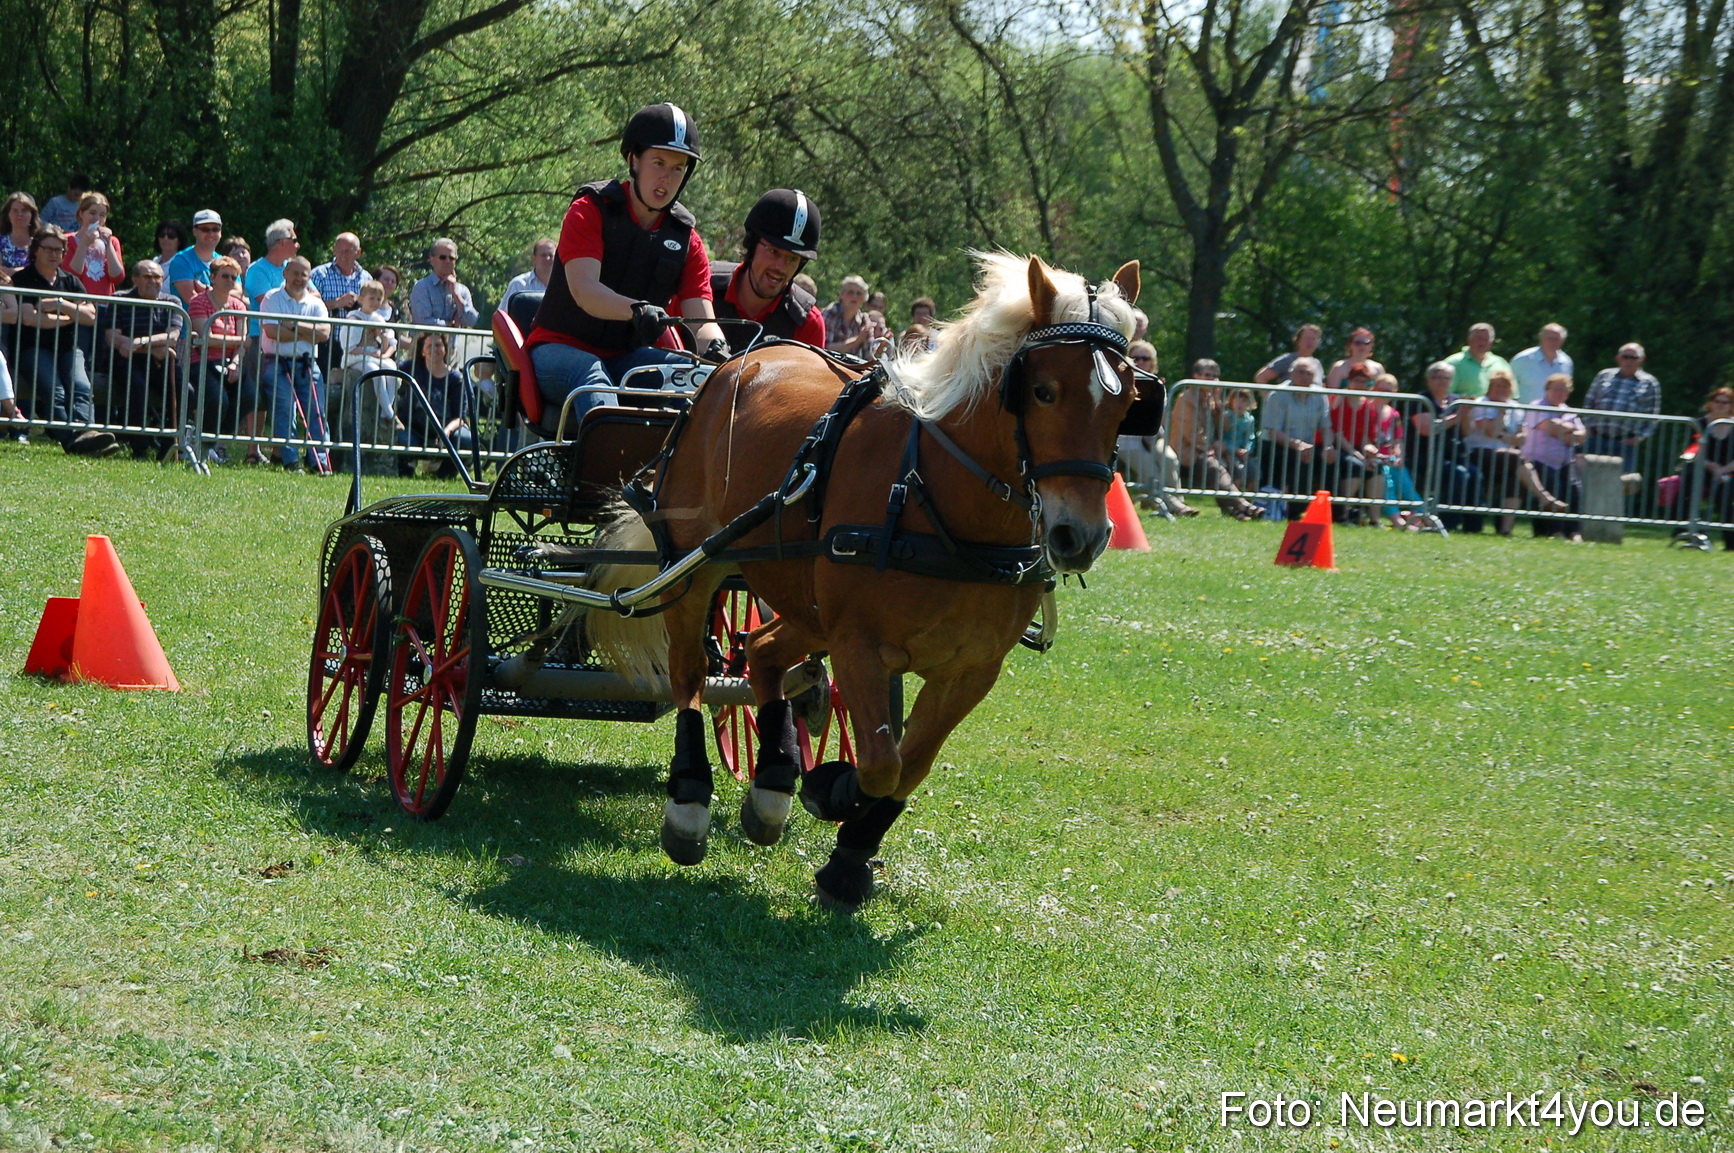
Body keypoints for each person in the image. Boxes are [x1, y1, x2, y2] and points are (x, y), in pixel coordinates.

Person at [524, 103, 726, 424]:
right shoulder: (589, 210)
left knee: (695, 376)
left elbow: (702, 320)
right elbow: (586, 290)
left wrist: (718, 349)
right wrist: (638, 310)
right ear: (633, 160)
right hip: (557, 349)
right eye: (658, 163)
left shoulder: (688, 240)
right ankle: (611, 457)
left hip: (626, 357)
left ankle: (679, 459)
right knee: (591, 373)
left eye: (678, 168)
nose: (667, 177)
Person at [8, 226, 115, 455]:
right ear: (36, 250)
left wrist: (60, 304)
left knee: (82, 387)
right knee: (55, 390)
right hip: (32, 348)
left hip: (68, 347)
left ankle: (87, 434)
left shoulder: (70, 281)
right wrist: (71, 315)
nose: (53, 254)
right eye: (48, 248)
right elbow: (30, 319)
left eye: (58, 250)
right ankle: (73, 440)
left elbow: (90, 316)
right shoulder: (23, 279)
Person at [708, 189, 826, 345]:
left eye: (792, 258)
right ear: (752, 244)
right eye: (774, 251)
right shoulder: (702, 287)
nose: (781, 267)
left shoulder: (807, 323)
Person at [101, 259, 185, 458]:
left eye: (157, 277)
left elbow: (172, 337)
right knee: (137, 385)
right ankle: (139, 447)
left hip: (160, 360)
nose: (153, 281)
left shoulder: (172, 302)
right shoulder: (120, 299)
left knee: (185, 390)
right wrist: (152, 349)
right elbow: (113, 338)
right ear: (135, 279)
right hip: (126, 361)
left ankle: (168, 447)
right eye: (148, 277)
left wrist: (140, 342)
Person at [258, 256, 332, 472]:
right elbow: (273, 332)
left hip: (308, 364)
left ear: (309, 277)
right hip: (276, 362)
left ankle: (319, 461)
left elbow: (324, 334)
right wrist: (309, 331)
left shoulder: (316, 304)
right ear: (285, 274)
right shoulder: (272, 298)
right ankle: (290, 460)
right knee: (284, 411)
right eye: (295, 273)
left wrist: (293, 325)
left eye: (304, 274)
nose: (299, 278)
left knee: (316, 412)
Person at [1167, 358, 1259, 519]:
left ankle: (1234, 510)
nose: (1212, 379)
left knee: (1233, 465)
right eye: (1208, 375)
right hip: (1188, 451)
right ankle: (1242, 504)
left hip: (1208, 450)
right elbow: (1191, 431)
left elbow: (1225, 427)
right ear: (1196, 376)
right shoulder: (1186, 398)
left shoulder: (1210, 398)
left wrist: (1217, 403)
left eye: (1215, 376)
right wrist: (1209, 448)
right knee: (1215, 467)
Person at [242, 220, 300, 462]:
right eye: (294, 240)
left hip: (289, 342)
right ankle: (253, 450)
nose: (298, 245)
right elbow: (267, 303)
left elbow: (313, 295)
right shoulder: (257, 270)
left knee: (286, 396)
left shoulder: (293, 268)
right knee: (258, 395)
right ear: (281, 243)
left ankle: (278, 451)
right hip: (261, 338)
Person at [187, 256, 251, 459]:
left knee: (249, 396)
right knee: (218, 399)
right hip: (202, 361)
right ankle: (204, 445)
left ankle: (218, 440)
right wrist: (238, 340)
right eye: (225, 276)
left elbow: (243, 344)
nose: (230, 280)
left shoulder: (238, 306)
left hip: (231, 362)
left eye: (233, 277)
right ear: (213, 277)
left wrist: (235, 364)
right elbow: (206, 337)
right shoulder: (198, 302)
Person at [1259, 356, 1336, 519]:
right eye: (1301, 372)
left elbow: (1326, 427)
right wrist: (1299, 445)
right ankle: (1296, 512)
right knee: (1300, 459)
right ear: (1291, 373)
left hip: (1306, 446)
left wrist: (1328, 446)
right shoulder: (1278, 394)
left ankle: (1337, 514)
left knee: (1334, 461)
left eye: (1309, 374)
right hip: (1276, 445)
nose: (1305, 377)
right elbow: (1274, 432)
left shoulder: (1320, 395)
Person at [1520, 372, 1586, 540]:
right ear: (1547, 390)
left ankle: (1574, 531)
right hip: (1538, 460)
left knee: (1574, 489)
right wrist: (1568, 430)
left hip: (1564, 461)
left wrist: (1562, 429)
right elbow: (1548, 426)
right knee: (1552, 484)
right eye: (1555, 389)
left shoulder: (1569, 411)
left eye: (1563, 390)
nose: (1559, 393)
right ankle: (1554, 531)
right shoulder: (1537, 406)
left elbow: (1582, 436)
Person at [335, 278, 399, 445]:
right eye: (372, 298)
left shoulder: (379, 319)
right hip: (356, 357)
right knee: (373, 370)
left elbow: (391, 343)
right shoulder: (354, 318)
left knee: (392, 371)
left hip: (375, 355)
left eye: (379, 299)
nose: (375, 303)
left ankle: (384, 414)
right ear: (361, 299)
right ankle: (390, 415)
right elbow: (349, 346)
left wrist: (384, 347)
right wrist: (369, 352)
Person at [1463, 368, 1526, 534]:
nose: (1501, 390)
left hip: (1505, 456)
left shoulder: (1516, 407)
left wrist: (1505, 436)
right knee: (1516, 458)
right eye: (1497, 386)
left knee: (1516, 480)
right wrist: (1501, 412)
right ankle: (1543, 496)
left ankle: (1505, 529)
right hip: (1480, 453)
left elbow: (1522, 438)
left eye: (1505, 386)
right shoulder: (1481, 404)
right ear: (1490, 387)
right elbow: (1492, 432)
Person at [400, 330, 473, 475]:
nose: (434, 349)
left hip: (445, 430)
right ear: (422, 351)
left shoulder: (456, 379)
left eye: (439, 345)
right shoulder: (411, 369)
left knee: (464, 439)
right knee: (400, 437)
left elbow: (460, 417)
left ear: (445, 349)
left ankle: (443, 471)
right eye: (429, 346)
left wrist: (446, 432)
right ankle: (407, 467)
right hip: (414, 430)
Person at [1582, 342, 1660, 471]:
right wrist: (1589, 428)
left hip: (1625, 444)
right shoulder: (1603, 375)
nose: (1629, 361)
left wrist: (1638, 438)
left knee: (1622, 482)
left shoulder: (1650, 383)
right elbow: (1588, 404)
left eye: (1633, 358)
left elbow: (1653, 416)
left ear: (1642, 359)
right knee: (1588, 479)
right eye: (1625, 357)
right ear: (1618, 358)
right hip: (1596, 440)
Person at [1327, 362, 1382, 523]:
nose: (1360, 384)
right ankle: (1343, 514)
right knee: (1355, 465)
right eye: (1357, 380)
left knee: (1377, 466)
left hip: (1357, 450)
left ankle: (1375, 519)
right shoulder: (1339, 399)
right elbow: (1338, 434)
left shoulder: (1368, 406)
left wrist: (1370, 452)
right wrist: (1359, 455)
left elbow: (1365, 437)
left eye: (1364, 381)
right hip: (1338, 448)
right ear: (1349, 381)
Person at [1370, 372, 1422, 529]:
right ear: (1374, 389)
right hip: (1373, 458)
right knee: (1388, 484)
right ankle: (1396, 520)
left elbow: (1397, 439)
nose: (1384, 394)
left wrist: (1398, 455)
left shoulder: (1394, 414)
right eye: (1381, 390)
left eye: (1389, 391)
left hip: (1390, 458)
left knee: (1406, 484)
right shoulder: (1368, 410)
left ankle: (1424, 517)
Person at [1690, 386, 1734, 551]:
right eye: (1717, 401)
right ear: (1710, 403)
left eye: (1725, 402)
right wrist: (1711, 466)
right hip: (1704, 469)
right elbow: (1692, 451)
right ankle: (1685, 532)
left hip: (1729, 472)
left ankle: (1730, 541)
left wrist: (1723, 470)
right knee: (1688, 485)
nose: (1720, 405)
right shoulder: (1698, 424)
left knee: (1724, 494)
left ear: (1731, 405)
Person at [408, 238, 479, 328]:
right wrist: (450, 325)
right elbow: (423, 321)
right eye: (443, 257)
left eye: (451, 258)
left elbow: (471, 321)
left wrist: (456, 295)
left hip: (453, 338)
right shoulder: (421, 287)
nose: (447, 261)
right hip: (428, 338)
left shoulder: (462, 291)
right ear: (432, 260)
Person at [167, 209, 224, 304]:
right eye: (205, 229)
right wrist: (223, 295)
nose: (211, 234)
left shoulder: (225, 262)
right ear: (195, 231)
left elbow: (238, 293)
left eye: (215, 229)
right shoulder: (181, 261)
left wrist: (206, 290)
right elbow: (193, 300)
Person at [1509, 322, 1572, 404]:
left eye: (1556, 339)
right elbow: (1507, 387)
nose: (1553, 342)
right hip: (1525, 411)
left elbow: (1566, 390)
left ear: (1563, 341)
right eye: (1549, 338)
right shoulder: (1522, 359)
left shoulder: (1566, 362)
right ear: (1541, 339)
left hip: (1555, 411)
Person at [1444, 322, 1511, 397]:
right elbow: (1442, 394)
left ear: (1491, 342)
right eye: (1479, 339)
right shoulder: (1453, 363)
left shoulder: (1500, 363)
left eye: (1486, 339)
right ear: (1469, 340)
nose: (1482, 343)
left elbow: (1513, 395)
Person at [822, 274, 878, 358]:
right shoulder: (830, 313)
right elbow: (824, 347)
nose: (854, 296)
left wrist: (881, 349)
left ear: (864, 298)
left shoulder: (864, 320)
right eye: (850, 292)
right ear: (841, 295)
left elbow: (869, 356)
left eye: (859, 293)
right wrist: (856, 341)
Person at [499, 238, 556, 313]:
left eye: (551, 255)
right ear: (534, 259)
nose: (547, 258)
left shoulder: (564, 286)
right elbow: (501, 316)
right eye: (543, 255)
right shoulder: (518, 284)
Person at [1255, 323, 1321, 384]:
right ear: (1298, 341)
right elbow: (1261, 377)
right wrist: (1271, 393)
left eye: (1314, 339)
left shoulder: (1317, 363)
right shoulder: (1287, 359)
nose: (1310, 342)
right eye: (1307, 338)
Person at [2, 193, 40, 269]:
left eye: (24, 210)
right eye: (15, 210)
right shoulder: (1, 241)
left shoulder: (39, 243)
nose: (19, 214)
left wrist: (13, 272)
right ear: (8, 215)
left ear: (32, 215)